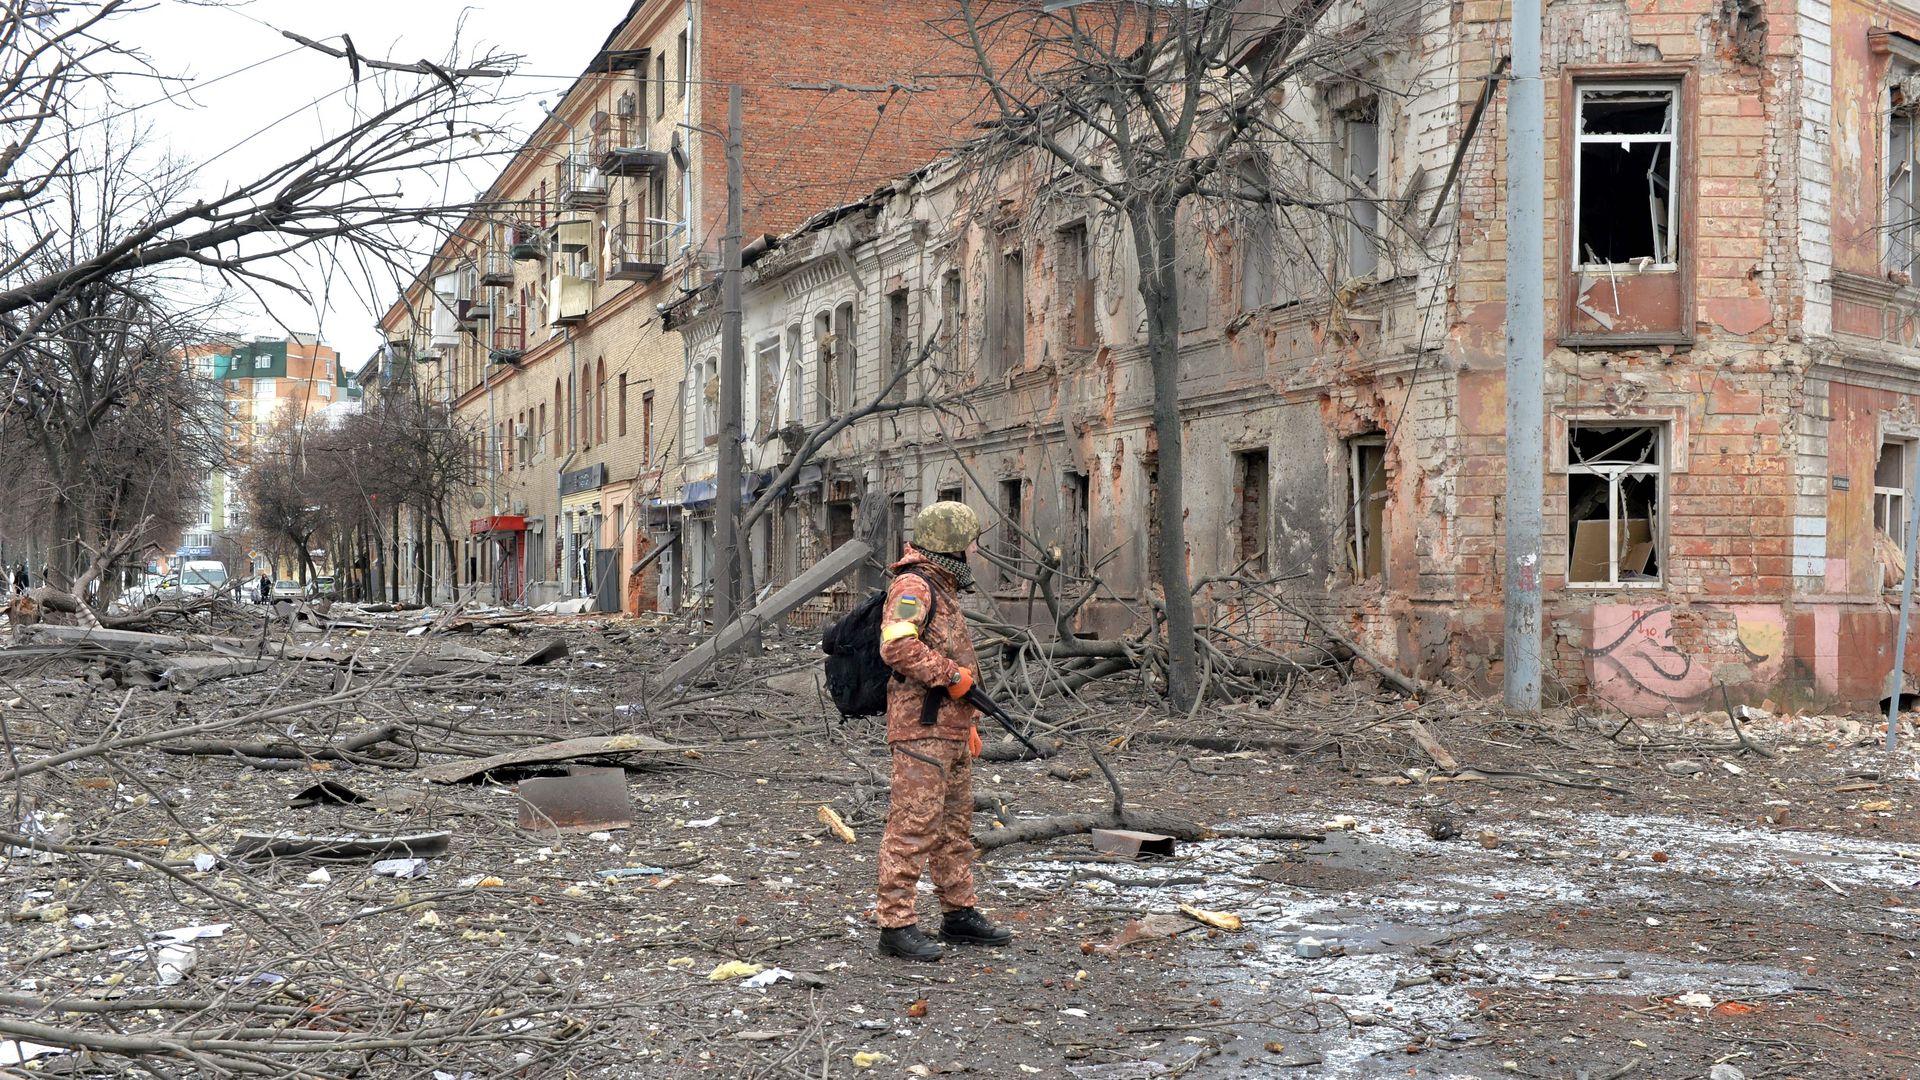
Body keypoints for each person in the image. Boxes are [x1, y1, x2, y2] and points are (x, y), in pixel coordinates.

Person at [873, 500, 1013, 962]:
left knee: (954, 829)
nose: (974, 547)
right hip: (920, 731)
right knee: (913, 827)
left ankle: (958, 914)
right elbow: (897, 647)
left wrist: (968, 721)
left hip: (949, 731)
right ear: (951, 542)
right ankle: (895, 925)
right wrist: (953, 678)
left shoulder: (943, 586)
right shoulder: (914, 585)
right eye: (970, 539)